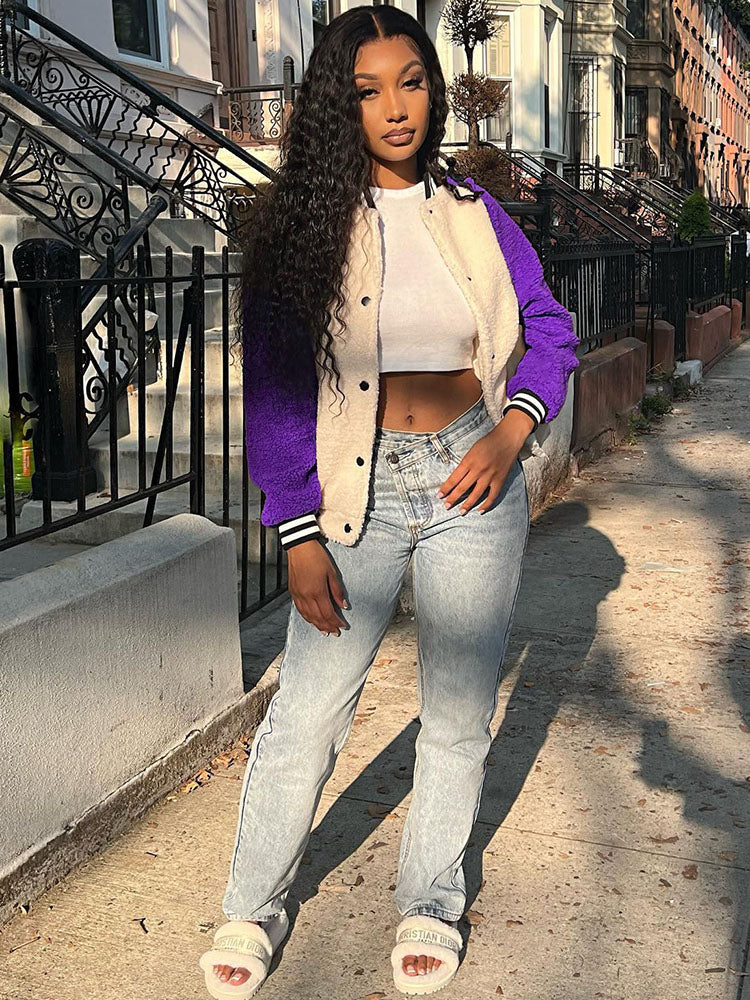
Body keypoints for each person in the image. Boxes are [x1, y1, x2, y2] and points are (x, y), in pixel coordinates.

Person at [198, 5, 579, 996]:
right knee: (308, 713)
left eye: (411, 81)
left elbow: (549, 330)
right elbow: (276, 391)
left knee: (455, 712)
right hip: (350, 494)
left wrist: (511, 432)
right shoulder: (304, 231)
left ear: (433, 90)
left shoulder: (474, 211)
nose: (397, 107)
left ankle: (431, 900)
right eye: (369, 91)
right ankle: (253, 905)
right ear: (342, 105)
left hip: (471, 478)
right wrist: (295, 528)